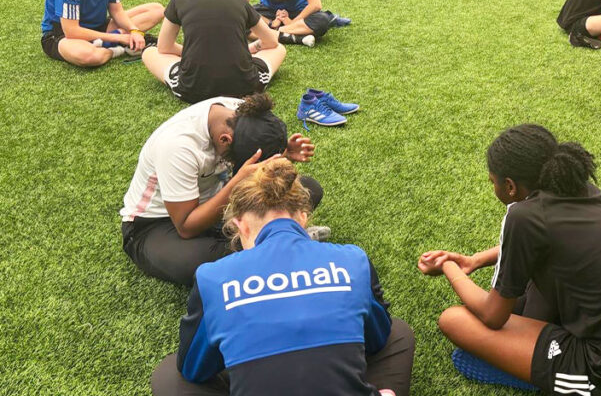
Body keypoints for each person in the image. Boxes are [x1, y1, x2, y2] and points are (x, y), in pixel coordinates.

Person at [418, 124, 601, 394]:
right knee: (530, 291)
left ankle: (538, 375)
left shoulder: (522, 217)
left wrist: (450, 267)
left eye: (493, 182)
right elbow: (542, 245)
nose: (494, 188)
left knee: (453, 320)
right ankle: (532, 353)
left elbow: (492, 315)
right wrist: (474, 260)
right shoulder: (579, 189)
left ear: (509, 186)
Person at [150, 159, 415, 396]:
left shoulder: (213, 277)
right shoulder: (352, 259)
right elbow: (378, 338)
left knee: (169, 376)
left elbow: (193, 369)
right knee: (398, 333)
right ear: (303, 218)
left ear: (239, 224)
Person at [120, 93, 326, 286]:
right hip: (159, 224)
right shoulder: (178, 147)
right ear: (225, 140)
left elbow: (259, 155)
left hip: (222, 204)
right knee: (193, 263)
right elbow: (186, 227)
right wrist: (237, 182)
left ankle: (264, 248)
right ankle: (288, 242)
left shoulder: (243, 112)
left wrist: (283, 152)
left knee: (308, 191)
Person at [142, 0, 287, 104]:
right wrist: (250, 49)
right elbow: (271, 42)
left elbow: (164, 47)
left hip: (194, 89)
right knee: (279, 48)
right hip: (245, 87)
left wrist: (189, 54)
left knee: (149, 52)